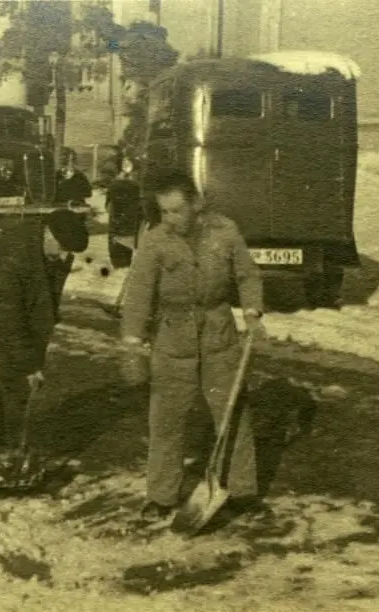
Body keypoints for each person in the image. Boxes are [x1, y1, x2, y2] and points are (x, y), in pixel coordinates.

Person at [119, 170, 267, 522]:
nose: (170, 219)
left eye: (176, 210)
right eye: (164, 212)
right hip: (172, 340)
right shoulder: (155, 241)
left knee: (231, 415)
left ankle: (241, 490)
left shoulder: (224, 231)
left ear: (196, 204)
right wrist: (131, 344)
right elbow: (139, 294)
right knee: (166, 421)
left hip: (219, 337)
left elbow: (247, 275)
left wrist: (252, 313)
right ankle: (162, 495)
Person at [0, 209, 89, 494]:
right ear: (49, 234)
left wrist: (32, 359)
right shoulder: (12, 257)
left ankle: (9, 457)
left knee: (15, 391)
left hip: (7, 324)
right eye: (62, 249)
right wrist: (30, 364)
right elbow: (7, 319)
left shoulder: (44, 248)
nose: (64, 257)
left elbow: (37, 305)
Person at [106, 155, 141, 269]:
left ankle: (120, 260)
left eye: (128, 163)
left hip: (122, 223)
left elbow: (108, 205)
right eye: (124, 163)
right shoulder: (132, 184)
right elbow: (109, 205)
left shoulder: (118, 183)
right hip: (123, 222)